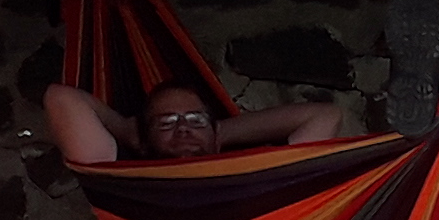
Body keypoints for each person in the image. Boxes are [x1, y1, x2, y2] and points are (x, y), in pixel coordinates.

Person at [45, 78, 349, 167]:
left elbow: (325, 115)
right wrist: (126, 130)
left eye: (193, 119)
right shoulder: (115, 175)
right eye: (165, 123)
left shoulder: (256, 174)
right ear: (144, 138)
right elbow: (60, 97)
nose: (183, 128)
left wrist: (216, 133)